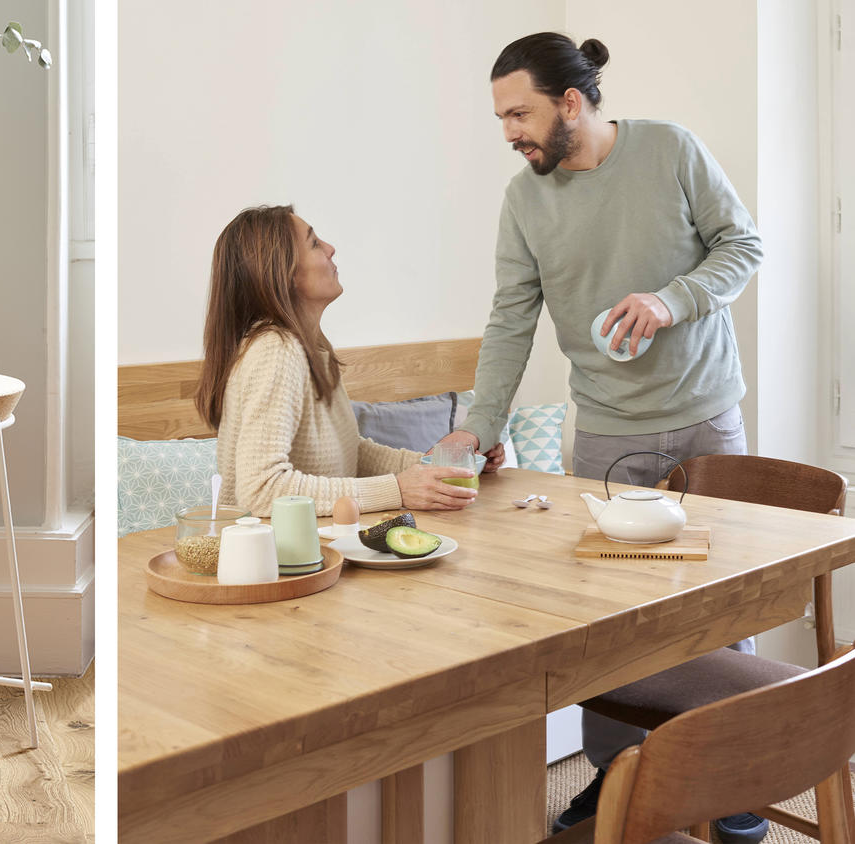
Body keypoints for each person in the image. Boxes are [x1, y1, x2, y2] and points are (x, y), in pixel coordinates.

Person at [435, 33, 765, 843]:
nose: (509, 131)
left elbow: (743, 246)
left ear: (571, 103)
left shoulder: (670, 151)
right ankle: (614, 776)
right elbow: (511, 320)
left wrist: (671, 299)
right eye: (501, 116)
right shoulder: (525, 199)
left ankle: (737, 775)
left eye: (520, 113)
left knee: (726, 602)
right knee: (609, 623)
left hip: (706, 415)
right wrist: (481, 426)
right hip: (609, 434)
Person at [195, 204, 477, 518]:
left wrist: (440, 466)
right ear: (283, 272)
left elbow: (350, 452)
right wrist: (397, 489)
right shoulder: (275, 350)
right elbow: (261, 490)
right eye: (315, 244)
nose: (331, 249)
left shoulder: (312, 349)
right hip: (277, 560)